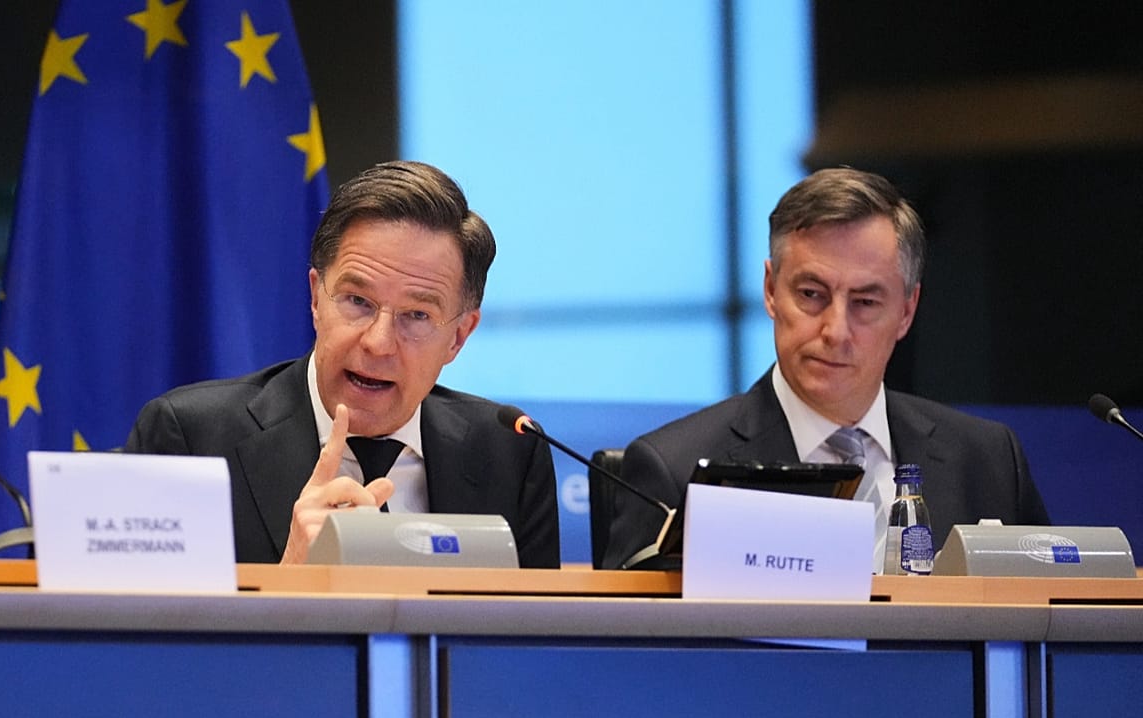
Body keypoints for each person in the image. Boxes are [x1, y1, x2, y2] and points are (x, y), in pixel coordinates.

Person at [601, 167, 1047, 570]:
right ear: (771, 290)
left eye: (866, 302)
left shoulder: (987, 461)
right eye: (812, 294)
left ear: (907, 311)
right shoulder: (673, 471)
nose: (836, 330)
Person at [127, 160, 560, 567]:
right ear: (316, 298)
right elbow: (146, 642)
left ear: (459, 336)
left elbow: (533, 643)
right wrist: (291, 580)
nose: (378, 342)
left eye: (417, 315)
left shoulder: (510, 453)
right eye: (357, 301)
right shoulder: (192, 439)